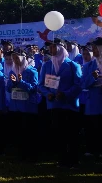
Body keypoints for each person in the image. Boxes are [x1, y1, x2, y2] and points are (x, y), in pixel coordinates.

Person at [38, 39, 82, 168]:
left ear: (60, 48)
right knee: (59, 133)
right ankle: (62, 159)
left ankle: (73, 160)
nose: (50, 50)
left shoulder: (73, 65)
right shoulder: (47, 65)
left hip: (69, 105)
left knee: (72, 134)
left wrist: (66, 94)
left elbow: (78, 85)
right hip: (54, 105)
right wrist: (47, 94)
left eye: (53, 47)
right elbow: (40, 85)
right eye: (49, 48)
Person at [81, 39, 102, 158]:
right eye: (93, 48)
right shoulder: (88, 65)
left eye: (96, 48)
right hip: (93, 101)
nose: (94, 51)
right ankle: (93, 149)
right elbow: (83, 84)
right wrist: (93, 78)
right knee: (93, 126)